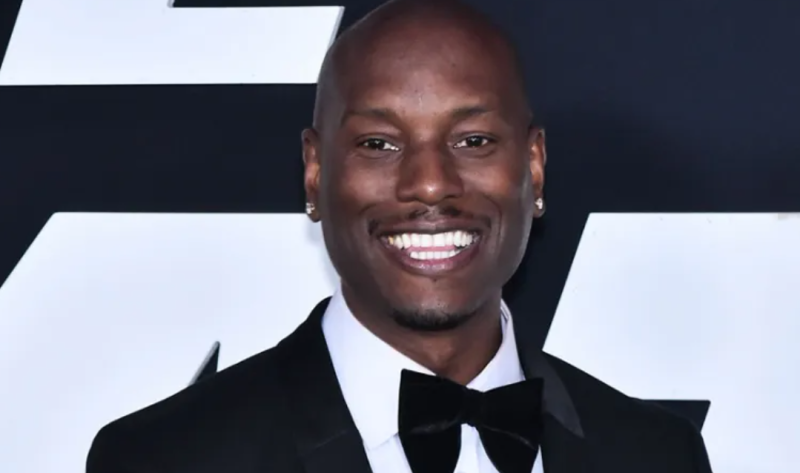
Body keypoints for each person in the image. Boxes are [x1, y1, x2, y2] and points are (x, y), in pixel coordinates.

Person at [86, 1, 713, 472]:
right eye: (379, 144)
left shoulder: (657, 455)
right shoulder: (164, 458)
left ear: (534, 167)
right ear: (315, 173)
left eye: (473, 140)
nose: (431, 184)